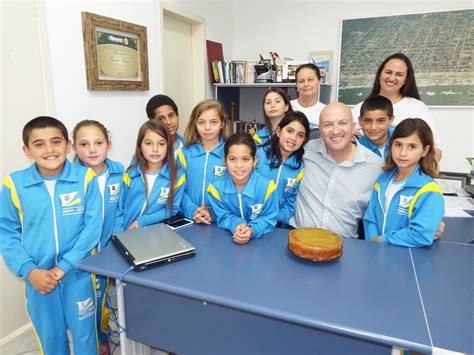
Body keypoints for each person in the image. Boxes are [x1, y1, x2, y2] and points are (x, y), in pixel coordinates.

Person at [0, 116, 101, 354]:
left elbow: (92, 228)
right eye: (39, 144)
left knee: (85, 337)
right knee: (51, 340)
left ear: (68, 145)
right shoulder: (14, 184)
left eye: (56, 141)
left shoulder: (85, 178)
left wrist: (64, 265)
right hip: (38, 280)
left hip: (78, 276)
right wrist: (29, 270)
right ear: (27, 150)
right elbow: (7, 233)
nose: (49, 149)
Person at [290, 103, 384, 238]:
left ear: (353, 127)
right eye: (328, 125)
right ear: (320, 130)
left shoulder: (375, 166)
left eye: (343, 123)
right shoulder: (304, 150)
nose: (335, 131)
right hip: (298, 239)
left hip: (345, 247)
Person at [72, 119, 125, 354]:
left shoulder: (118, 173)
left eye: (98, 143)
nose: (92, 149)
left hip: (107, 251)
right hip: (80, 254)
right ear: (74, 148)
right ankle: (86, 339)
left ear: (108, 145)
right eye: (84, 144)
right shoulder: (71, 178)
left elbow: (122, 210)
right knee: (84, 303)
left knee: (104, 300)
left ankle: (102, 337)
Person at [363, 118, 444, 247]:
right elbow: (370, 219)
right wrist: (373, 243)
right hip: (375, 253)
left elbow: (421, 235)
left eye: (412, 147)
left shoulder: (428, 191)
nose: (402, 153)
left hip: (405, 260)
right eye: (398, 145)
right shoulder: (382, 181)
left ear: (425, 150)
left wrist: (382, 240)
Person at [351, 53, 442, 161]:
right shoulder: (359, 108)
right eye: (388, 72)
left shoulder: (418, 108)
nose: (392, 78)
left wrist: (413, 174)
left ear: (406, 79)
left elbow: (436, 150)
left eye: (399, 74)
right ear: (380, 74)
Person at [114, 120, 186, 232]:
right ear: (140, 147)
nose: (155, 149)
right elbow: (118, 209)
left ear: (168, 147)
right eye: (148, 143)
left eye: (161, 144)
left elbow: (171, 209)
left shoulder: (177, 176)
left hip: (153, 236)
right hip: (125, 233)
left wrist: (140, 222)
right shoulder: (130, 174)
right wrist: (119, 234)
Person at [207, 133, 278, 244]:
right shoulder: (215, 189)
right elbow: (222, 216)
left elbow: (269, 218)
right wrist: (237, 224)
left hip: (262, 245)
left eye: (245, 159)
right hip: (226, 244)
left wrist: (252, 230)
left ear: (254, 160)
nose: (239, 165)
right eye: (232, 159)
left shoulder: (268, 188)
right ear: (224, 160)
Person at [178, 99, 228, 224]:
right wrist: (193, 211)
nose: (207, 128)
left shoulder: (230, 155)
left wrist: (213, 213)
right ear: (195, 124)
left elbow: (234, 191)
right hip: (188, 218)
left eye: (213, 122)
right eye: (201, 122)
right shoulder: (184, 154)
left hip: (220, 220)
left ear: (222, 124)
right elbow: (178, 189)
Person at [256, 111, 310, 227]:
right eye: (290, 131)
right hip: (250, 219)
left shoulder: (299, 167)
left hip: (277, 226)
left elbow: (291, 201)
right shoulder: (258, 156)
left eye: (300, 135)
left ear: (304, 140)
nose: (293, 138)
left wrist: (277, 216)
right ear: (279, 131)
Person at [357, 95, 394, 160]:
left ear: (391, 120)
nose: (373, 127)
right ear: (360, 121)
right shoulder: (357, 148)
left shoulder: (402, 140)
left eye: (381, 121)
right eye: (368, 121)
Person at [290, 63, 326, 129]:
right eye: (301, 81)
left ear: (319, 82)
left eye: (310, 80)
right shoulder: (287, 107)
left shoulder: (326, 111)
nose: (306, 84)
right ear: (296, 85)